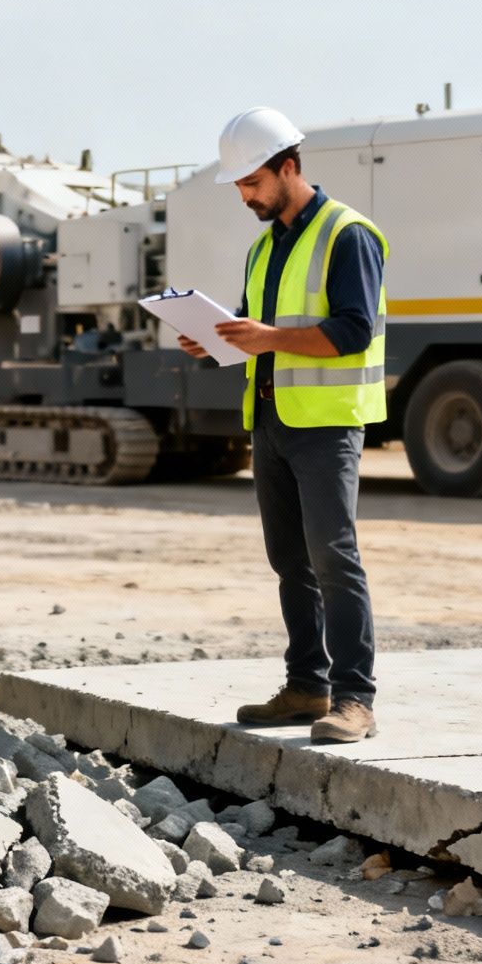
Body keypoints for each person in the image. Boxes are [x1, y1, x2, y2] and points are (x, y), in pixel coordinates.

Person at [175, 107, 387, 743]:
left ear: (288, 168)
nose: (246, 196)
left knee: (333, 558)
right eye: (240, 186)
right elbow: (256, 332)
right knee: (289, 559)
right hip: (270, 419)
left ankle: (354, 699)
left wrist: (267, 337)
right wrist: (215, 342)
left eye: (253, 183)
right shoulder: (264, 246)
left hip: (325, 423)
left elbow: (355, 331)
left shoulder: (348, 235)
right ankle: (306, 686)